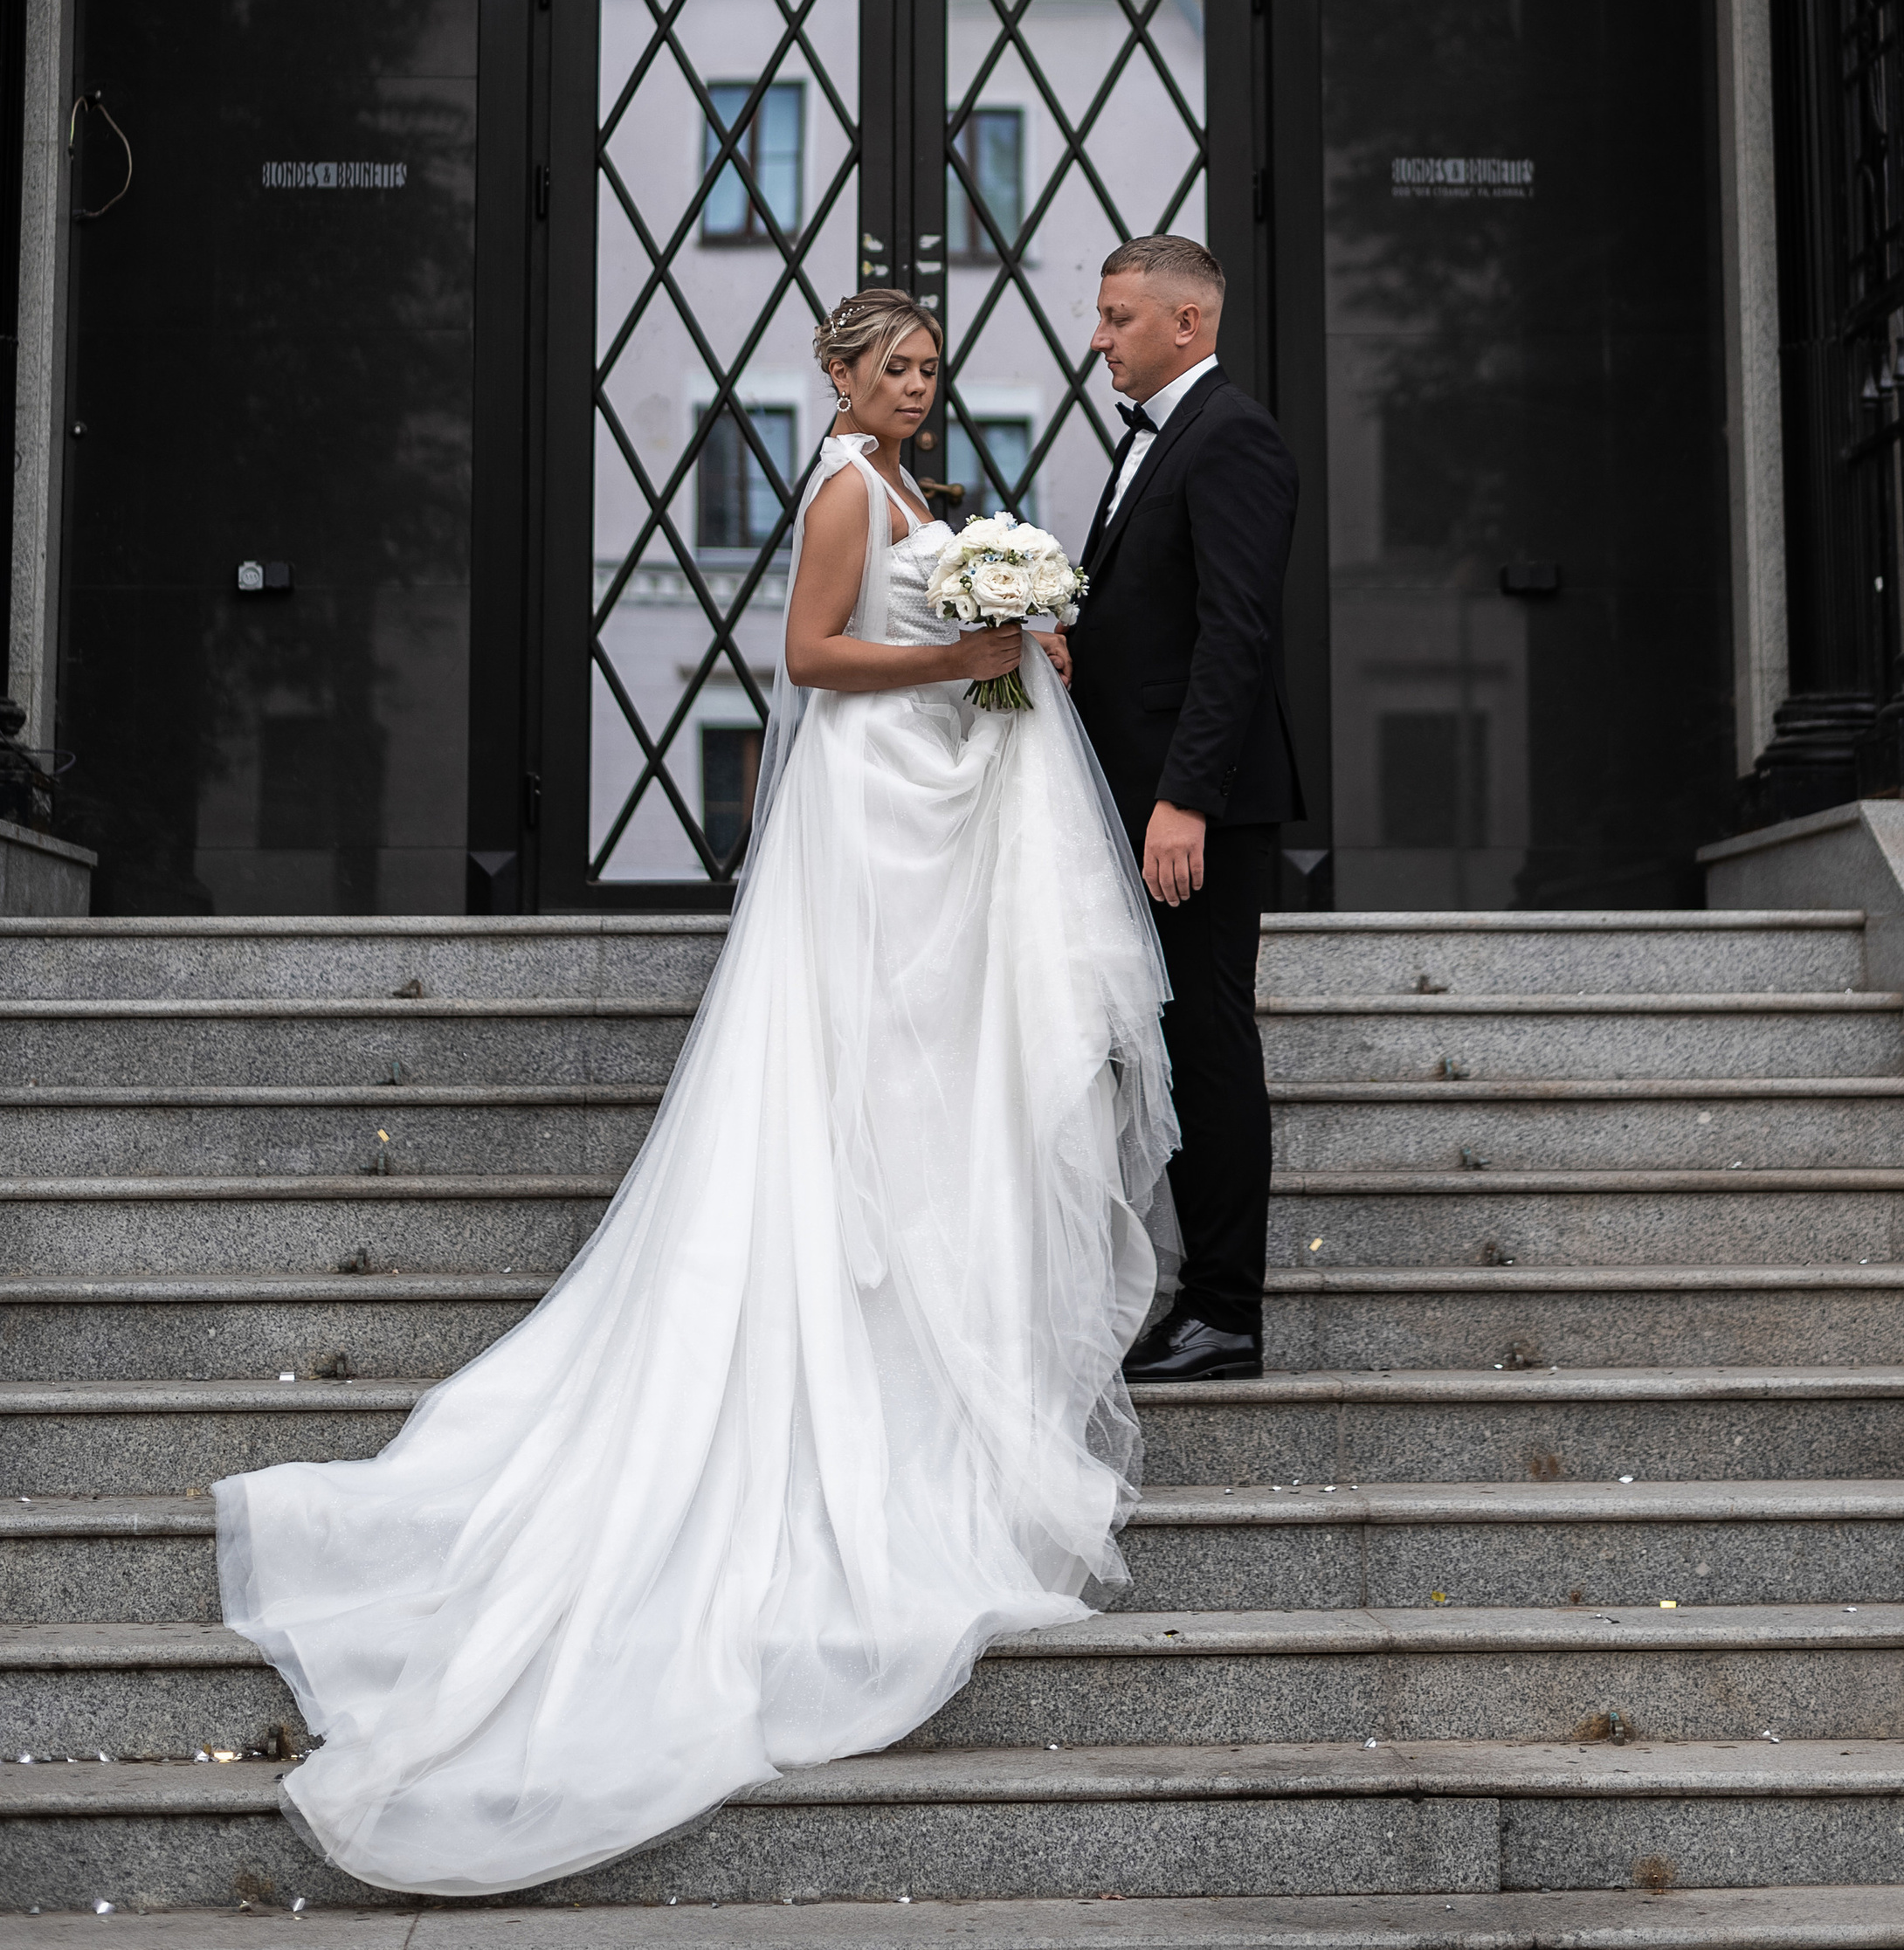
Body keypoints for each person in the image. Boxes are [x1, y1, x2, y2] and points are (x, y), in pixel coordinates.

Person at [214, 290, 1175, 1899]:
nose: (917, 385)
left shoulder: (916, 488)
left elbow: (922, 647)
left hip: (920, 805)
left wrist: (1009, 649)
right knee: (847, 1081)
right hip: (867, 817)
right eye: (893, 365)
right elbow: (808, 657)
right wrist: (966, 652)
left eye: (929, 366)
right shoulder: (845, 486)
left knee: (912, 1098)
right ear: (839, 374)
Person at [1066, 233, 1301, 1384]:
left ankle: (1224, 1314)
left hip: (1190, 809)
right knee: (1171, 1036)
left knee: (1206, 1039)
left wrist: (1185, 802)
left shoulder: (1231, 435)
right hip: (1138, 797)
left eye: (1118, 316)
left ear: (1187, 323)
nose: (1099, 338)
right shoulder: (1161, 437)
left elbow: (1235, 635)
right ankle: (1195, 1299)